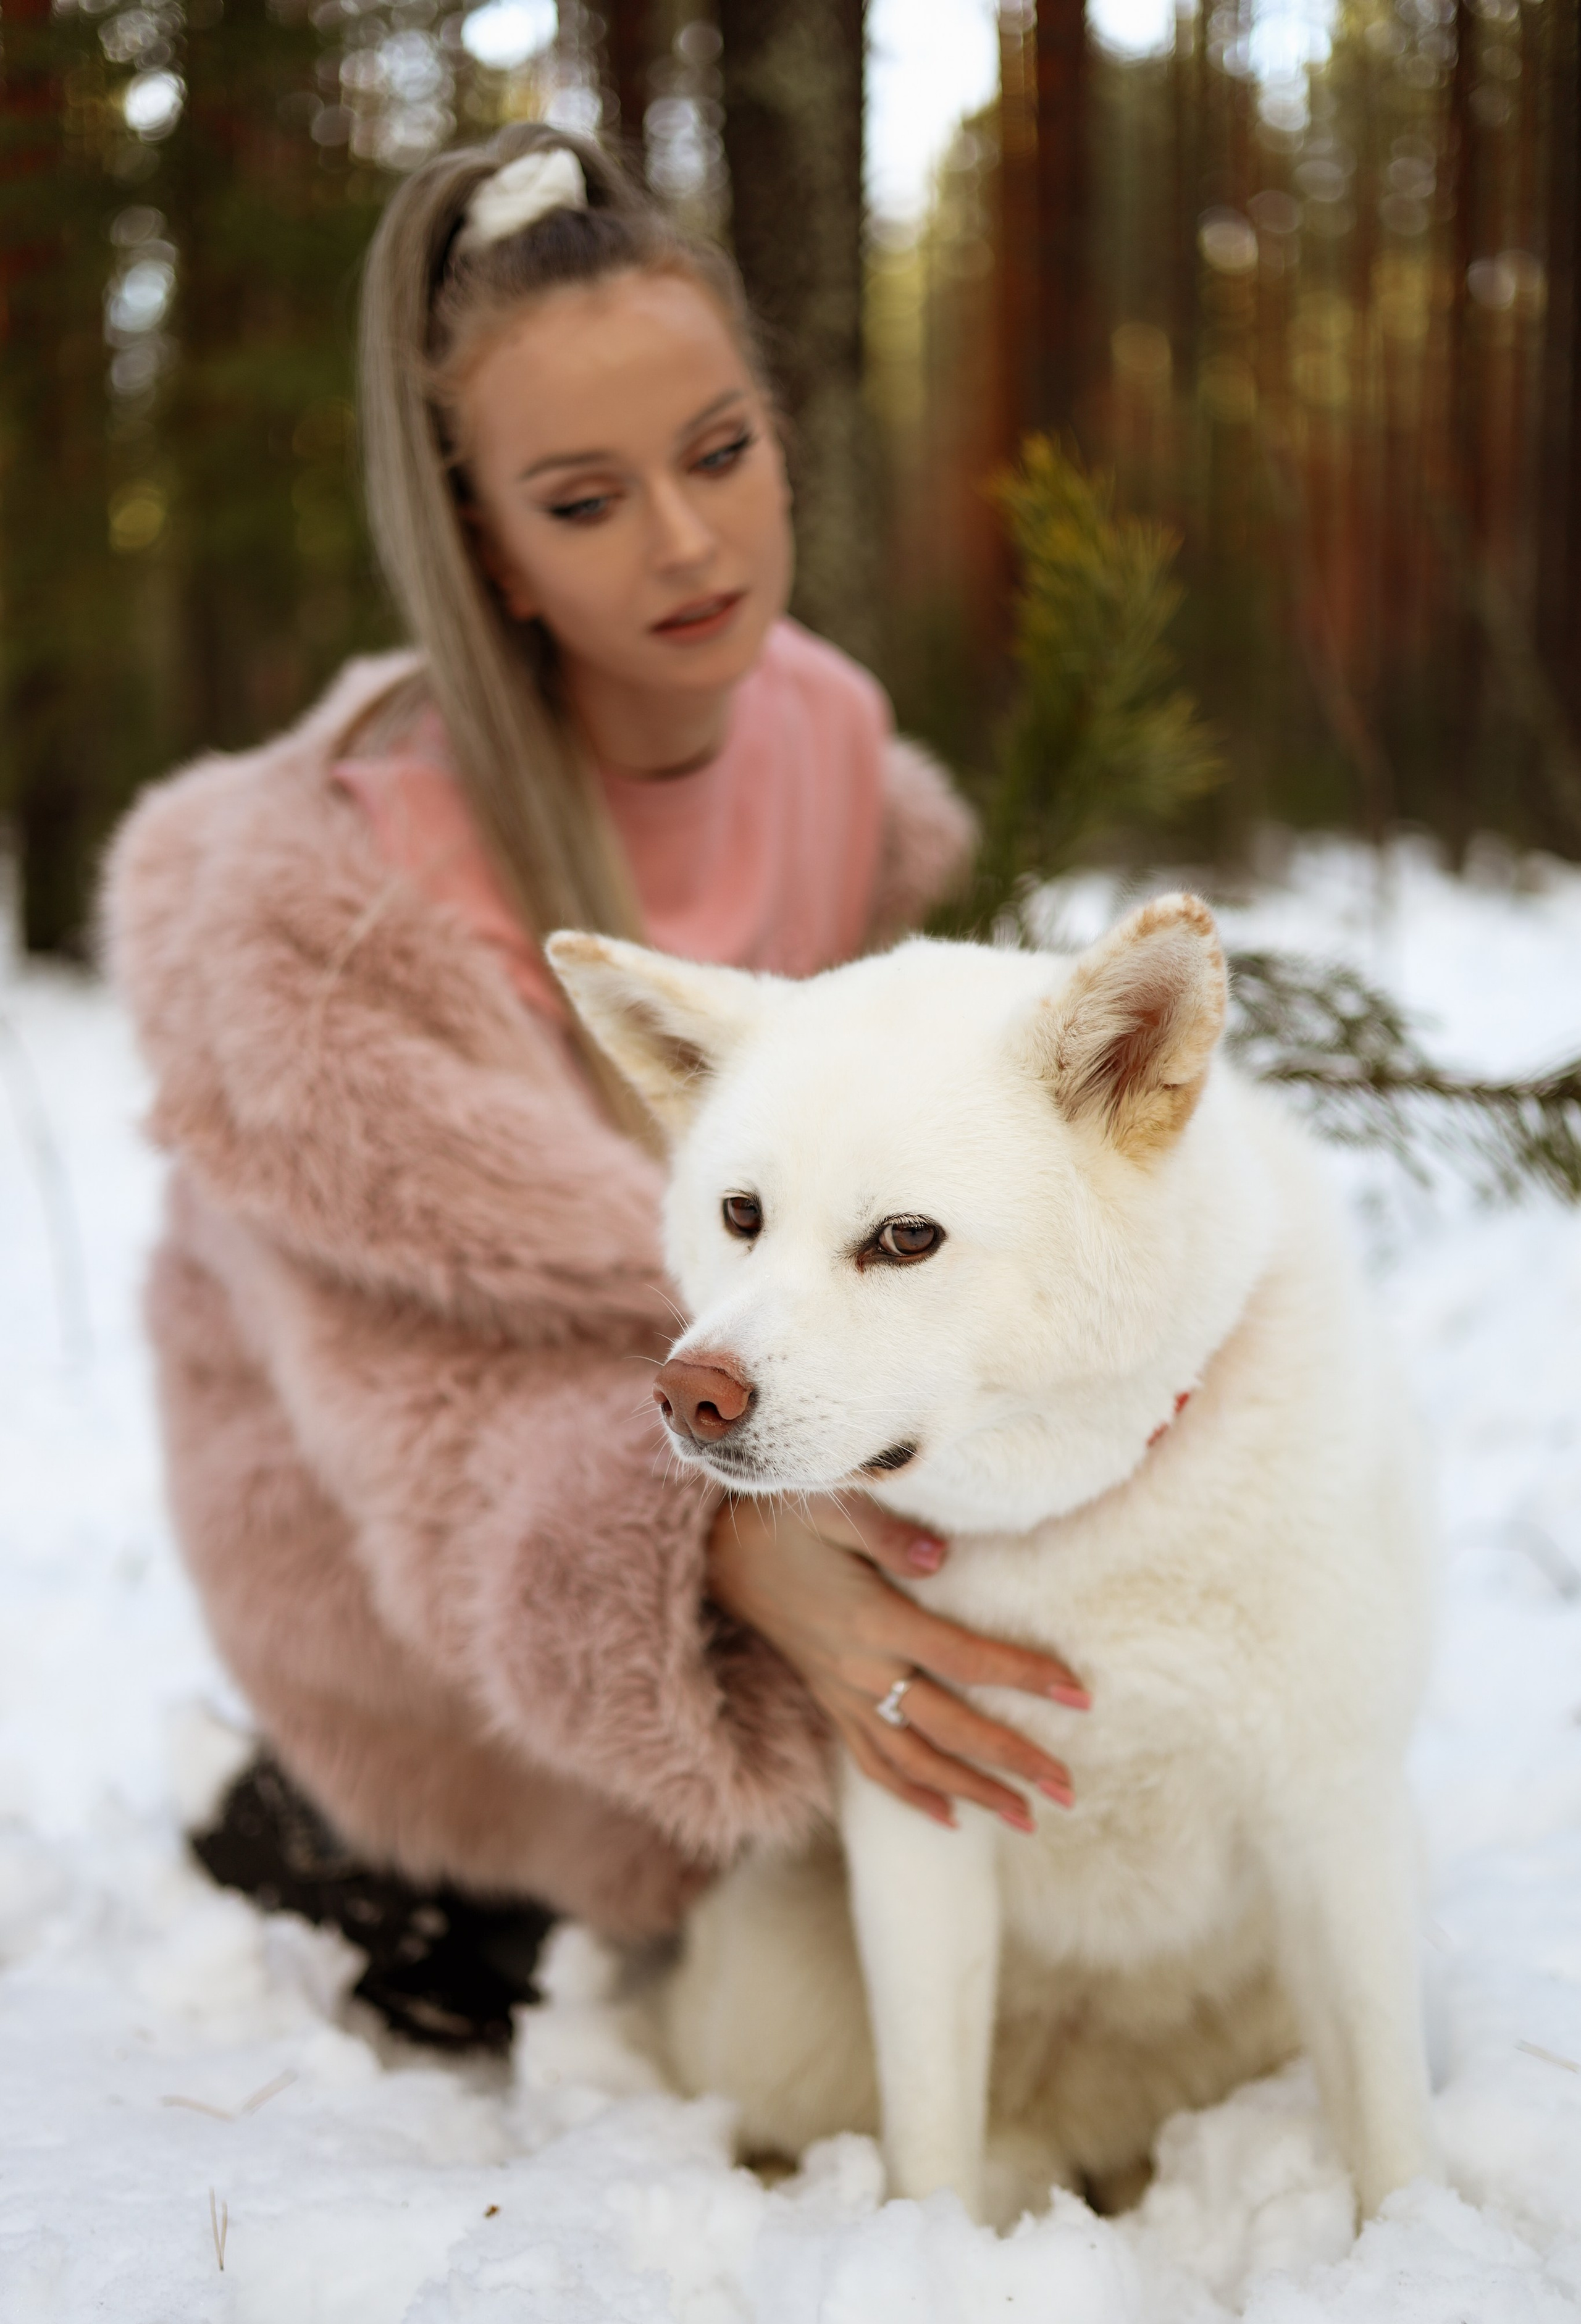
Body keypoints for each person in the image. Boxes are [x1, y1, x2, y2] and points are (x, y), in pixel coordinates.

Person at [104, 125, 1086, 2045]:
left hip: (723, 1382)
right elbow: (433, 1405)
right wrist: (711, 1546)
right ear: (488, 548)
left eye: (723, 451)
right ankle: (346, 1826)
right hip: (372, 1487)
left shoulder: (831, 736)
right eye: (586, 499)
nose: (693, 544)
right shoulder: (349, 894)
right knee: (532, 1915)